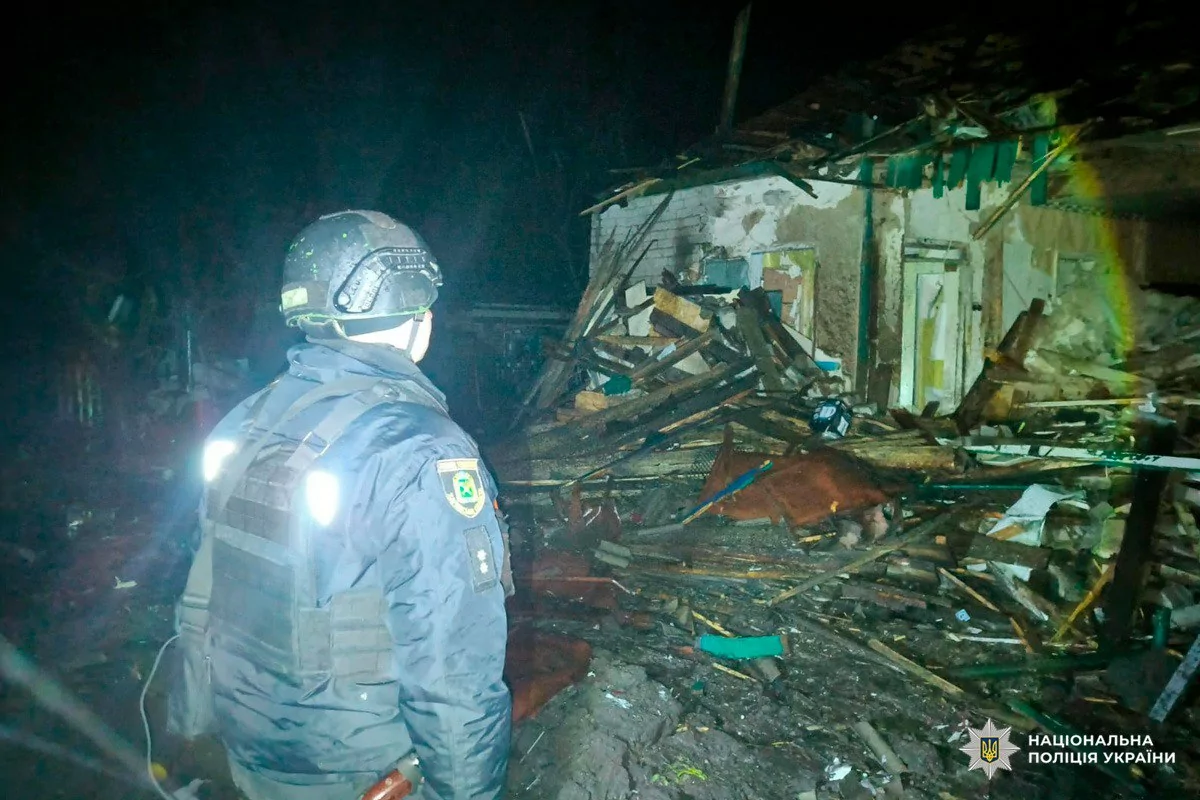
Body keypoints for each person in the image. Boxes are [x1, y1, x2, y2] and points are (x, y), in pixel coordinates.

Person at [169, 210, 513, 800]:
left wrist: (190, 718)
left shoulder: (250, 418)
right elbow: (452, 664)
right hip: (361, 767)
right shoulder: (419, 449)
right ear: (416, 317)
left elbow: (206, 582)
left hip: (251, 744)